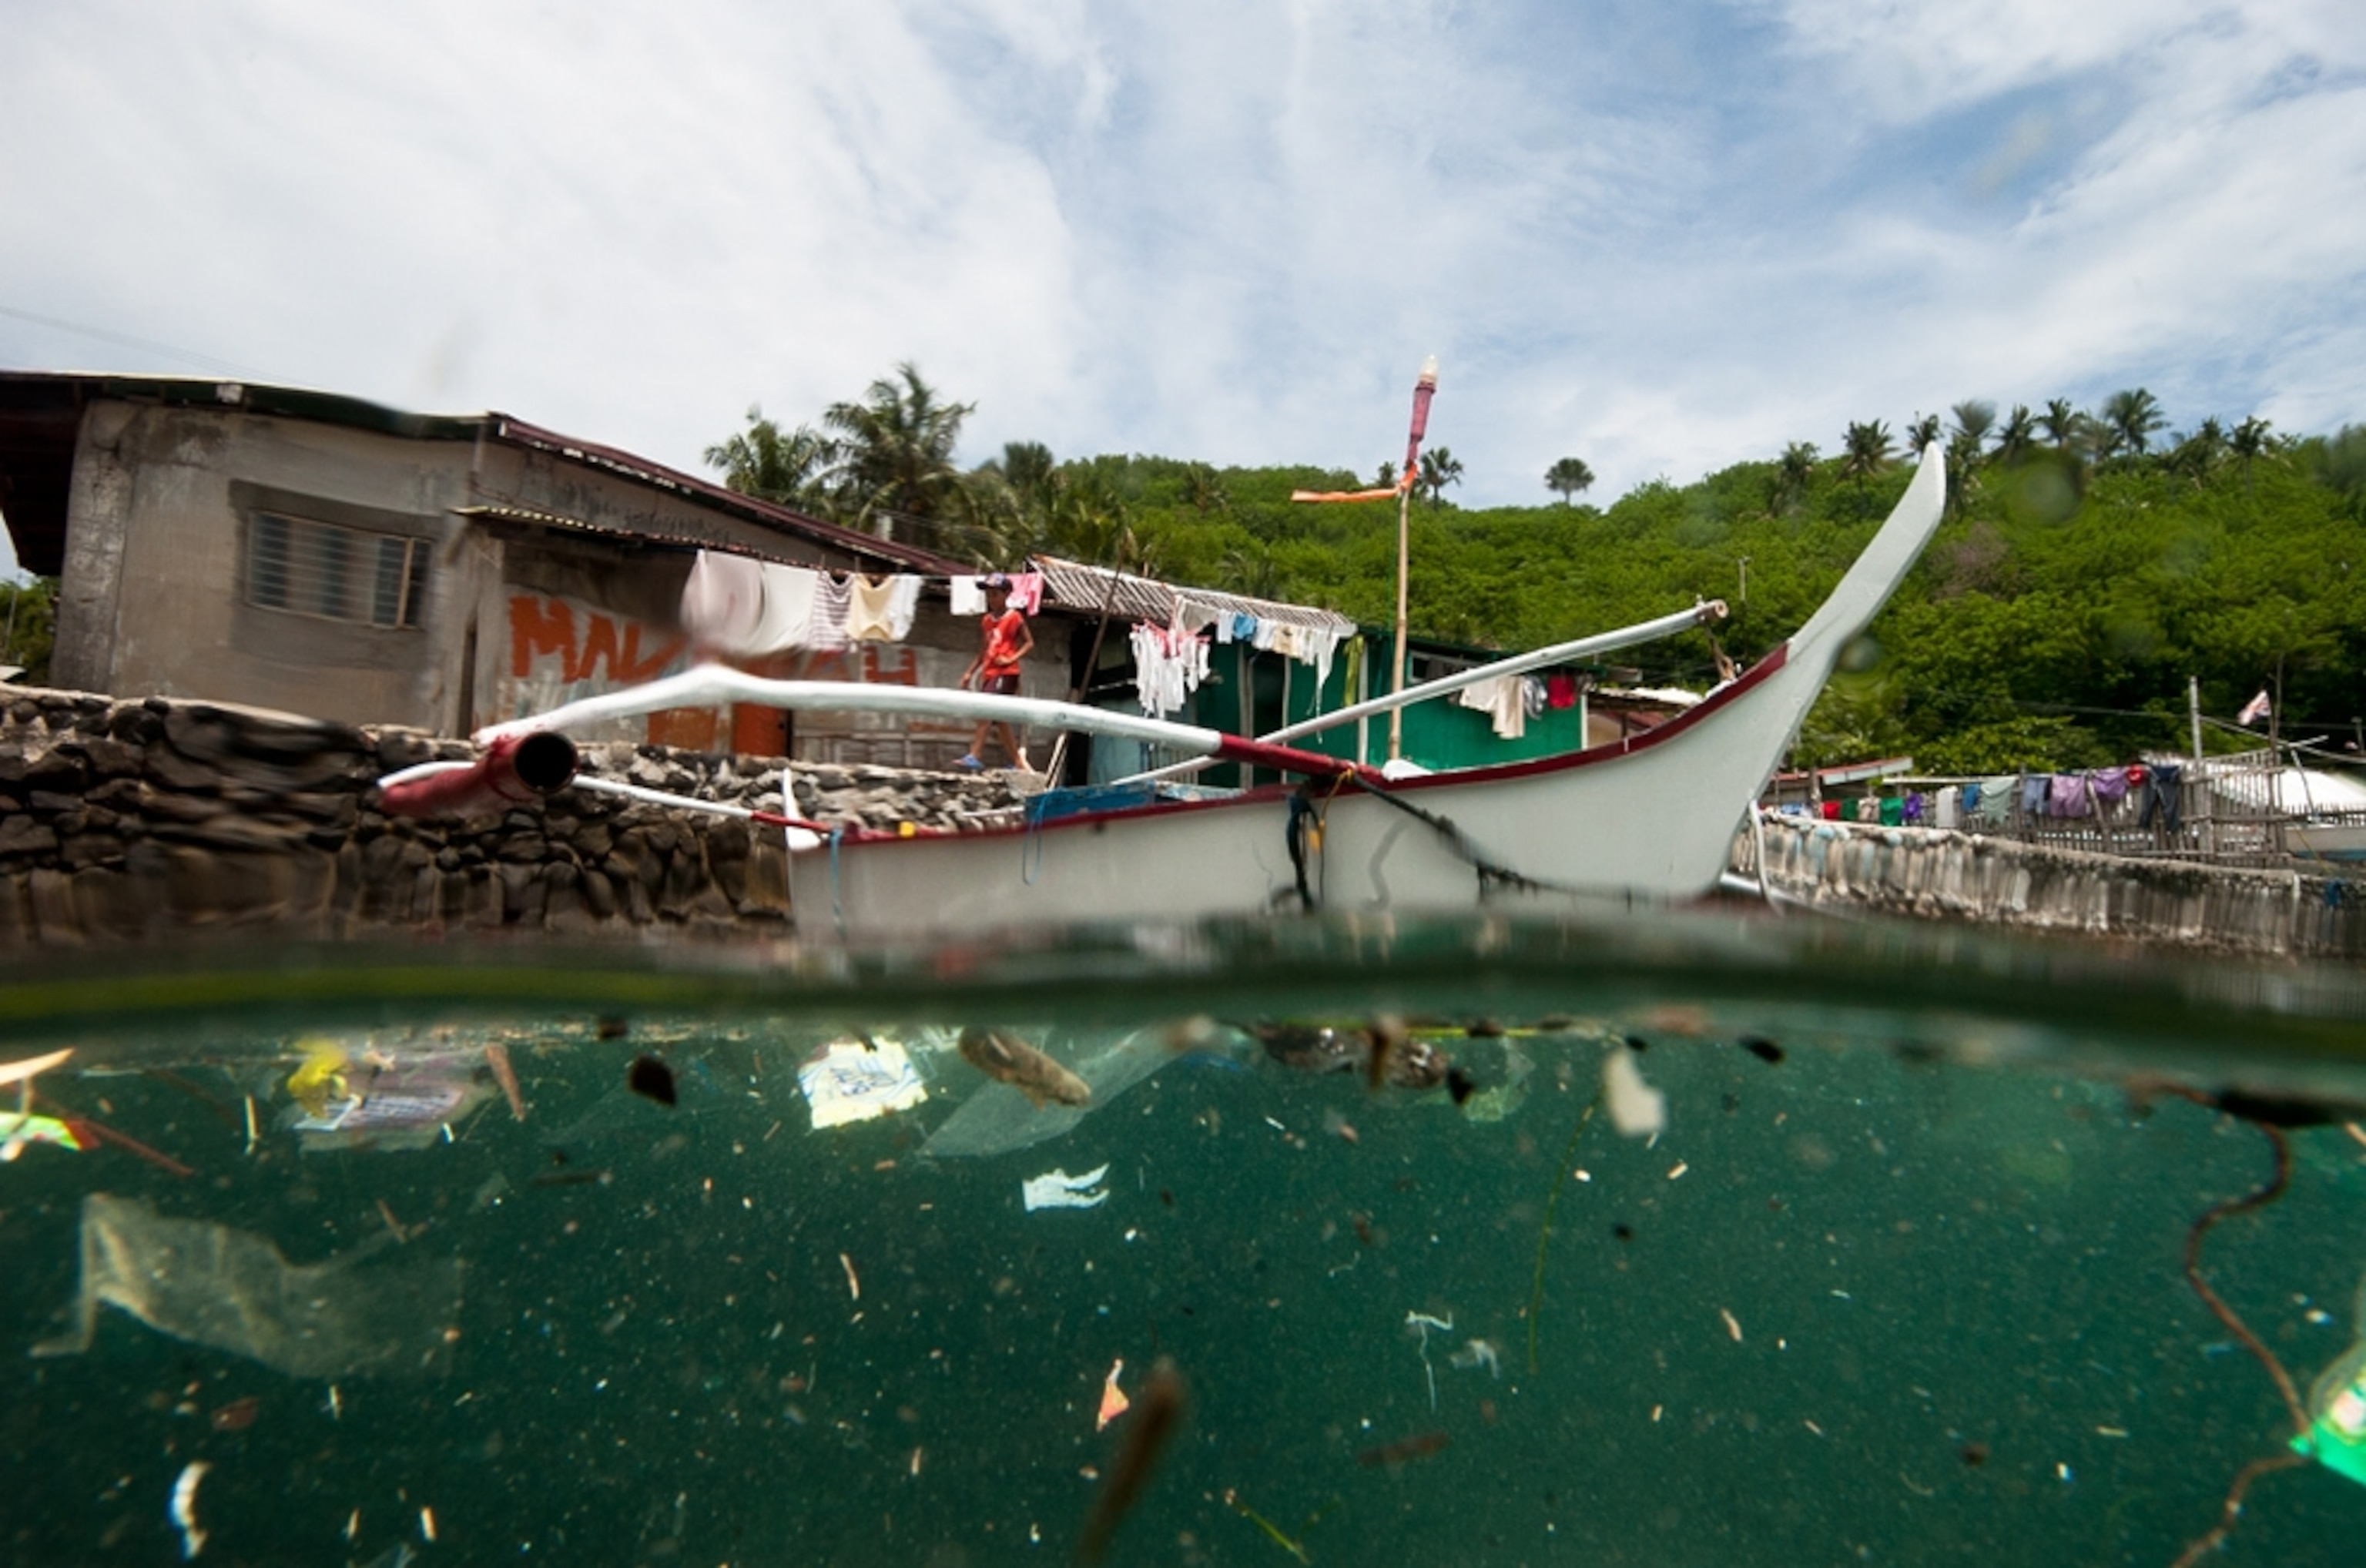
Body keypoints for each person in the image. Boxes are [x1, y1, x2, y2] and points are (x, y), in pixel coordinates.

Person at [957, 576, 1034, 770]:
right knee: (1000, 720)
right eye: (988, 595)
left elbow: (1029, 643)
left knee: (986, 711)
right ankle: (1018, 762)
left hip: (1007, 672)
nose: (991, 599)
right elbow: (984, 651)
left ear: (1006, 595)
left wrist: (1010, 659)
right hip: (990, 673)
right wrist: (969, 673)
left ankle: (974, 755)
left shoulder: (1014, 617)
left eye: (995, 594)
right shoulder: (987, 621)